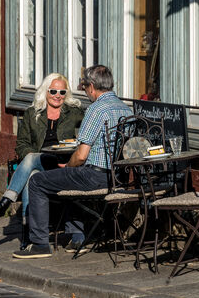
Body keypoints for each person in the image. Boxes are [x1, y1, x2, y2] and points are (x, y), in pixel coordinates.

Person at [12, 65, 132, 259]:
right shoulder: (124, 108)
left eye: (84, 87)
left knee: (37, 181)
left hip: (95, 176)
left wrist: (68, 167)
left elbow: (81, 155)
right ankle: (76, 235)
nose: (85, 91)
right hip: (118, 177)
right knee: (67, 179)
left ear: (92, 87)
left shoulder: (95, 110)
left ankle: (40, 243)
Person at [0, 73, 84, 249]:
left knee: (32, 168)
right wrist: (34, 156)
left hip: (63, 165)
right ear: (45, 91)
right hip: (41, 162)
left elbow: (87, 135)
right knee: (32, 173)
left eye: (62, 92)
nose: (57, 96)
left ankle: (6, 201)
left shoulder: (74, 113)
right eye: (53, 91)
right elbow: (21, 145)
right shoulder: (32, 113)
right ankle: (29, 234)